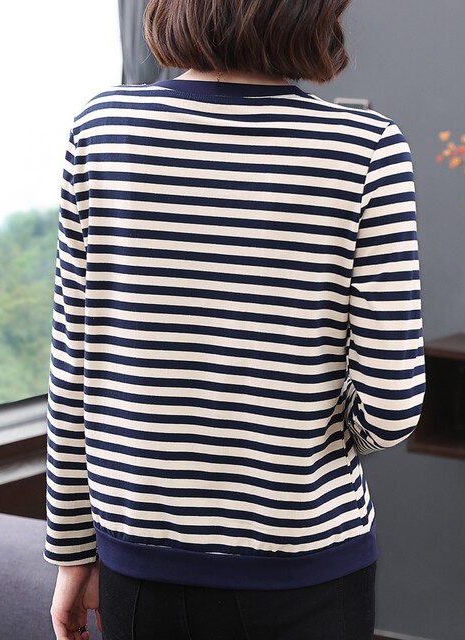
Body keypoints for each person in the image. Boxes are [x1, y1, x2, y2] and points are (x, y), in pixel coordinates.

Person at [45, 0, 426, 638]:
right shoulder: (365, 148)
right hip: (305, 562)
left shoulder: (101, 130)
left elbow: (74, 368)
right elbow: (392, 408)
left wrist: (72, 551)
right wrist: (303, 442)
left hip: (138, 562)